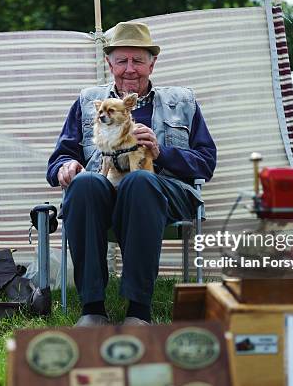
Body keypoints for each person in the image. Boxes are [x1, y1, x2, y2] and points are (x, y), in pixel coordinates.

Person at [46, 22, 217, 326]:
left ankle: (138, 311)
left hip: (164, 193)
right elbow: (61, 155)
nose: (130, 69)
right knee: (85, 183)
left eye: (138, 60)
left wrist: (163, 151)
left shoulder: (182, 102)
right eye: (122, 60)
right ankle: (93, 309)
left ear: (152, 63)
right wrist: (65, 166)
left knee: (140, 180)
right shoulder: (89, 102)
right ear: (108, 63)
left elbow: (205, 162)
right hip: (104, 193)